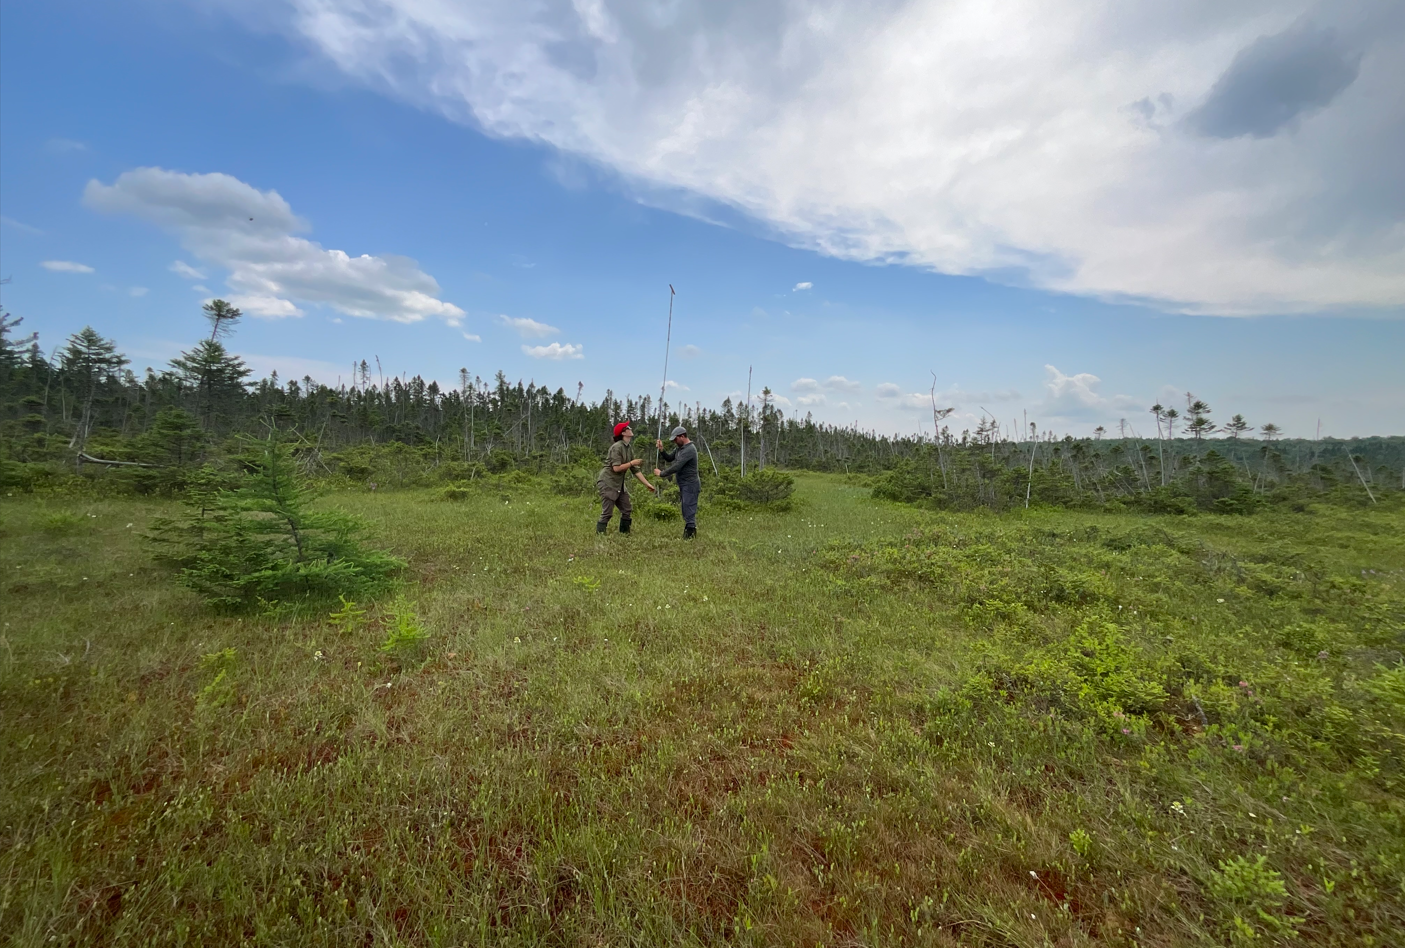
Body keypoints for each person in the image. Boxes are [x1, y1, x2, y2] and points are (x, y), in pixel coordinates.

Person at [597, 420, 655, 534]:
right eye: (628, 428)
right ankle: (600, 536)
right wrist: (632, 463)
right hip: (608, 482)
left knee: (627, 509)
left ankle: (624, 535)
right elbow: (616, 468)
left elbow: (635, 470)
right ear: (623, 433)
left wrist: (647, 484)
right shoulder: (617, 447)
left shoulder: (628, 448)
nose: (631, 429)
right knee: (607, 513)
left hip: (619, 484)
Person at [654, 425, 701, 539]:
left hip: (691, 484)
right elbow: (670, 458)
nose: (675, 441)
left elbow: (676, 466)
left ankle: (690, 536)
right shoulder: (679, 449)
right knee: (685, 509)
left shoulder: (690, 449)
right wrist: (662, 450)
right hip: (683, 484)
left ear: (682, 436)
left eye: (676, 439)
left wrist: (662, 473)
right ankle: (689, 534)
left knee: (689, 509)